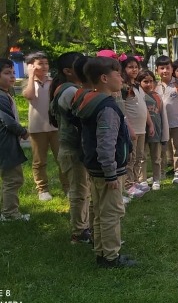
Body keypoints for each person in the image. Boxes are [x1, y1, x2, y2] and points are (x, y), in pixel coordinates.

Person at [75, 57, 136, 268]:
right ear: (104, 78)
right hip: (107, 171)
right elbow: (106, 143)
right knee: (111, 213)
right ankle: (111, 257)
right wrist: (111, 172)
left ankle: (101, 251)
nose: (121, 77)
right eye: (117, 74)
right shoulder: (107, 107)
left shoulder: (89, 100)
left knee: (100, 212)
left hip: (95, 168)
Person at [50, 52, 93, 242]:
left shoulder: (71, 88)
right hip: (72, 149)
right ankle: (79, 231)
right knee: (79, 191)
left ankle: (84, 226)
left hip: (74, 149)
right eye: (79, 63)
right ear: (68, 71)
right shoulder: (69, 91)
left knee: (84, 189)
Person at [22, 51, 68, 201]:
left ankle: (67, 187)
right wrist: (31, 76)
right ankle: (42, 189)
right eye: (40, 63)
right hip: (37, 128)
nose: (44, 66)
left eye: (46, 63)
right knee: (39, 161)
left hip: (55, 127)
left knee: (62, 158)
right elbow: (30, 96)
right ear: (31, 66)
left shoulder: (52, 81)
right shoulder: (28, 82)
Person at [0, 59, 30, 222]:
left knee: (10, 178)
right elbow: (8, 121)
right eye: (6, 73)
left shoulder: (5, 93)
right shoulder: (1, 96)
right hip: (5, 143)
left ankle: (7, 209)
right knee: (13, 179)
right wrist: (23, 132)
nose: (11, 76)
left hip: (7, 141)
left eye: (12, 72)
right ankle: (10, 214)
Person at [155, 56, 178, 184]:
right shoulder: (155, 86)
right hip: (161, 124)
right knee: (162, 149)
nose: (165, 70)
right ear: (157, 70)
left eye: (167, 67)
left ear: (172, 69)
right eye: (162, 68)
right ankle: (161, 172)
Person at [120, 56, 151, 197]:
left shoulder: (137, 86)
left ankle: (135, 181)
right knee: (130, 158)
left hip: (141, 128)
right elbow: (123, 109)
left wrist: (150, 124)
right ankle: (128, 185)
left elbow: (144, 106)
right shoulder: (123, 87)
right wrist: (129, 128)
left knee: (139, 156)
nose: (134, 69)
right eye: (130, 67)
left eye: (136, 67)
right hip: (131, 128)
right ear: (124, 69)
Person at [138, 70, 169, 191]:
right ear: (139, 82)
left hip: (155, 130)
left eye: (151, 81)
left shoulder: (157, 96)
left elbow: (162, 115)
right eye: (145, 81)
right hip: (141, 129)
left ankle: (156, 179)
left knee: (156, 157)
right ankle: (142, 180)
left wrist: (163, 132)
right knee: (142, 156)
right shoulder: (137, 96)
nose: (149, 84)